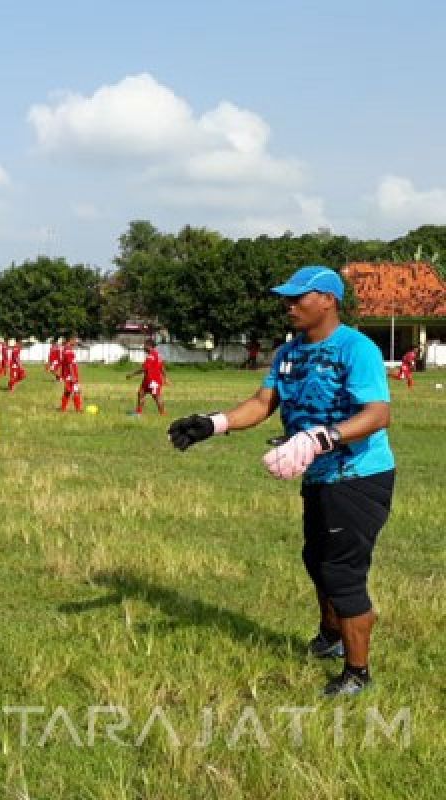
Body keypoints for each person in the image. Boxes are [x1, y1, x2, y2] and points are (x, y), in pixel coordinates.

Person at [167, 266, 394, 697]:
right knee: (316, 558)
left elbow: (378, 413)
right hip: (320, 474)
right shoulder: (289, 352)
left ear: (328, 299)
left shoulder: (356, 349)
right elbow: (262, 402)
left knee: (342, 572)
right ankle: (331, 635)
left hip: (359, 476)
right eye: (286, 298)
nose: (288, 306)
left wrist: (323, 436)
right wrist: (213, 424)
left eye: (298, 298)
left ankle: (357, 672)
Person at [126, 338, 167, 415]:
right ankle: (138, 412)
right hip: (148, 380)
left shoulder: (151, 356)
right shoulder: (157, 355)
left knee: (156, 397)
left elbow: (144, 368)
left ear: (149, 346)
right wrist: (165, 377)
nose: (143, 347)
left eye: (145, 345)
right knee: (141, 393)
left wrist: (132, 374)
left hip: (153, 381)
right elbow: (162, 367)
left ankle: (163, 414)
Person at [59, 336, 83, 412]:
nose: (76, 342)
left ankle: (63, 408)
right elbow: (70, 364)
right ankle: (78, 409)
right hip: (70, 375)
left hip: (69, 375)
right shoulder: (68, 350)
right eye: (75, 340)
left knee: (68, 391)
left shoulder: (66, 349)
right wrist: (73, 376)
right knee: (76, 391)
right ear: (71, 340)